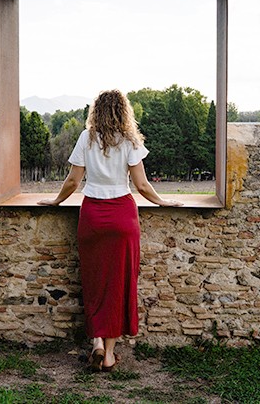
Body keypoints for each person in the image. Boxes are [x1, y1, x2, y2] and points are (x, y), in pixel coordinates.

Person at [38, 89, 182, 371]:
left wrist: (56, 200)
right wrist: (163, 201)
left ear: (96, 111)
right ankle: (110, 355)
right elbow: (142, 185)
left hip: (93, 215)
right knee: (119, 284)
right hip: (122, 217)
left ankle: (97, 342)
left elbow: (73, 181)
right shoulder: (130, 141)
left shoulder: (86, 137)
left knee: (94, 282)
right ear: (124, 111)